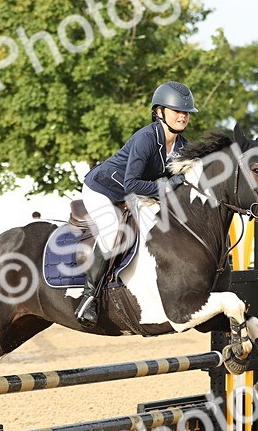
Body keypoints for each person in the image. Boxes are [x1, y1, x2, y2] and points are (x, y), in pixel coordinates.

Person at [74, 81, 193, 327]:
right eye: (176, 111)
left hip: (134, 193)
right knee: (112, 232)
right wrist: (167, 187)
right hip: (104, 189)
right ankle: (88, 298)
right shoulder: (146, 138)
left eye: (186, 112)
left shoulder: (182, 146)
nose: (183, 116)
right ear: (159, 112)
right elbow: (132, 184)